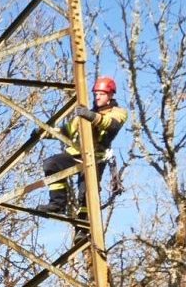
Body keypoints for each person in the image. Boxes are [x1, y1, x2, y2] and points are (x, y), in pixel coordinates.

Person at [40, 76, 128, 217]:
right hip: (75, 154)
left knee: (86, 191)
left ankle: (84, 227)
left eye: (101, 94)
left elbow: (111, 124)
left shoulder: (118, 112)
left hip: (95, 157)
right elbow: (67, 131)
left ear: (110, 95)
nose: (97, 97)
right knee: (52, 164)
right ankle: (57, 204)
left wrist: (91, 116)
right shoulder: (84, 115)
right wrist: (44, 133)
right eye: (96, 94)